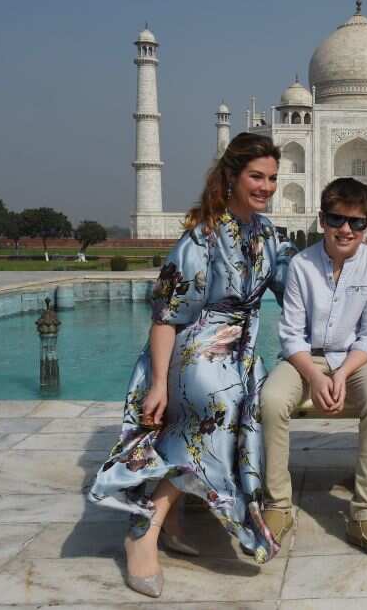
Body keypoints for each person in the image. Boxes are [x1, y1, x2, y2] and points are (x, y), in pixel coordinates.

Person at [88, 133, 293, 598]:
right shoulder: (202, 237)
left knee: (230, 412)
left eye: (273, 178)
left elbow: (297, 284)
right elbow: (166, 314)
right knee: (213, 421)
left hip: (240, 355)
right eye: (256, 176)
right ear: (233, 177)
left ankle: (173, 522)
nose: (266, 186)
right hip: (197, 351)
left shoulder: (267, 234)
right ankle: (143, 532)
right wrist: (159, 383)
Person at [260, 178, 367, 562]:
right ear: (322, 219)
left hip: (354, 359)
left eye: (356, 222)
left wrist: (340, 375)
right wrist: (315, 375)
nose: (346, 230)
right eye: (337, 220)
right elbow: (291, 334)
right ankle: (277, 505)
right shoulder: (302, 265)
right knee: (272, 400)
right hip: (306, 358)